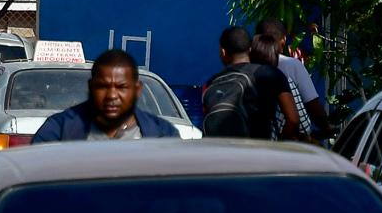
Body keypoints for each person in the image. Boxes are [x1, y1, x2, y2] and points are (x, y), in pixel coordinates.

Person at [32, 49, 180, 142]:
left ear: (137, 89)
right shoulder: (59, 131)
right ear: (91, 87)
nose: (112, 95)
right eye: (103, 86)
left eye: (121, 87)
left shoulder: (162, 135)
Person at [202, 26, 299, 140]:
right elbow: (293, 119)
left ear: (223, 52)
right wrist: (278, 145)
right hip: (257, 152)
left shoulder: (211, 83)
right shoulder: (269, 74)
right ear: (250, 49)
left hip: (219, 153)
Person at [258, 17, 329, 139]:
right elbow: (312, 105)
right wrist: (326, 127)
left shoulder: (247, 65)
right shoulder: (291, 65)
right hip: (283, 141)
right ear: (283, 39)